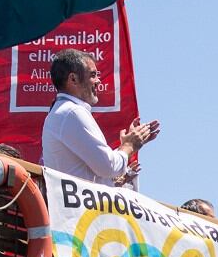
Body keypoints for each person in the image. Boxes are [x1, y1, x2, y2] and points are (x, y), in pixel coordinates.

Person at [41, 49, 160, 186]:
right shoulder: (72, 112)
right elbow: (108, 167)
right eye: (93, 75)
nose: (98, 81)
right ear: (73, 79)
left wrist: (130, 143)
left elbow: (100, 167)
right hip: (82, 207)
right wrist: (129, 145)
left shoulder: (65, 112)